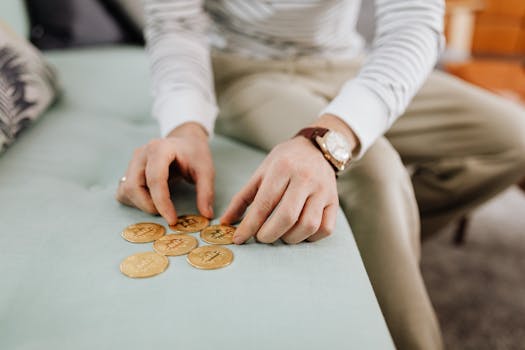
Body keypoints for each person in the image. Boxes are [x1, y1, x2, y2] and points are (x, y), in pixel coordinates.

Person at [115, 1, 525, 349]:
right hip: (244, 71)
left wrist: (330, 135)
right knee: (375, 172)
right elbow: (175, 22)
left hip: (349, 62)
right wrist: (186, 126)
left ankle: (374, 243)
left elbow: (414, 23)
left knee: (514, 137)